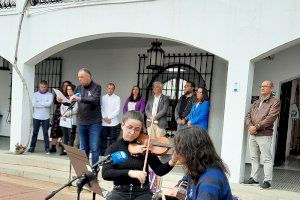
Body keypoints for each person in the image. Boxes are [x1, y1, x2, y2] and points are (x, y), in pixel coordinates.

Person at [102, 110, 179, 200]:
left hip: (142, 193)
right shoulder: (113, 148)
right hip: (120, 192)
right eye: (129, 127)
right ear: (122, 125)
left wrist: (173, 161)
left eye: (137, 129)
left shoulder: (144, 147)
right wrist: (130, 173)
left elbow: (159, 170)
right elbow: (106, 173)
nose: (132, 132)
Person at [170, 126, 233, 200]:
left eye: (179, 148)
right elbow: (185, 179)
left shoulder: (208, 183)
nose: (176, 152)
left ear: (191, 151)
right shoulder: (198, 168)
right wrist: (178, 188)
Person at [244, 80, 281, 189]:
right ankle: (254, 178)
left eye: (265, 86)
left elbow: (271, 118)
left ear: (271, 88)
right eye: (261, 86)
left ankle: (267, 180)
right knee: (254, 157)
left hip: (264, 134)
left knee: (266, 158)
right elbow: (248, 115)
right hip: (253, 134)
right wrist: (250, 126)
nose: (262, 88)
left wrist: (256, 127)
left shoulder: (275, 101)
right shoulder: (256, 102)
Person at [70, 68, 102, 165]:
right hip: (81, 121)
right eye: (79, 77)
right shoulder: (78, 88)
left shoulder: (97, 87)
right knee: (83, 148)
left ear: (89, 77)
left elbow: (94, 101)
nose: (80, 79)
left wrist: (80, 98)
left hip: (94, 122)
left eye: (82, 77)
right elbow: (72, 103)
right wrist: (63, 100)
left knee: (94, 148)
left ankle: (94, 169)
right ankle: (85, 170)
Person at [28, 80, 53, 154]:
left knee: (45, 133)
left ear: (47, 87)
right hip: (36, 116)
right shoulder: (35, 94)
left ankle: (47, 148)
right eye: (41, 87)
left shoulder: (50, 95)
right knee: (35, 132)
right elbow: (34, 104)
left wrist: (39, 103)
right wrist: (44, 104)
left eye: (44, 87)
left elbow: (49, 104)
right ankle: (32, 147)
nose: (43, 88)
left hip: (46, 117)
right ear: (39, 87)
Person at [50, 80, 72, 153]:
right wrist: (57, 99)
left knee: (64, 131)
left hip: (66, 114)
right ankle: (53, 147)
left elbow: (70, 104)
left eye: (67, 86)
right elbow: (55, 102)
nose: (65, 87)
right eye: (64, 85)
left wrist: (62, 101)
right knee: (55, 130)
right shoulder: (59, 93)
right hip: (58, 113)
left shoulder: (70, 95)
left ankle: (64, 148)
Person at [101, 83, 121, 156]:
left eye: (112, 88)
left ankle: (111, 154)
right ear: (107, 89)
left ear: (114, 89)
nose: (110, 90)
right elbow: (101, 108)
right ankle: (103, 154)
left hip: (113, 122)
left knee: (113, 139)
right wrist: (105, 117)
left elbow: (117, 110)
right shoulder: (103, 98)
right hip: (104, 122)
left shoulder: (117, 98)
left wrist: (109, 118)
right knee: (103, 139)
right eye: (109, 88)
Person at [59, 84, 78, 155]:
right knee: (65, 135)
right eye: (67, 89)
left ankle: (70, 152)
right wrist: (63, 114)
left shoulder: (75, 99)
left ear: (73, 90)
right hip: (64, 120)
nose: (68, 91)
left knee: (71, 136)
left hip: (72, 120)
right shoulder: (65, 98)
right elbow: (61, 108)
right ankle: (64, 150)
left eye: (70, 89)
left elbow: (76, 110)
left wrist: (66, 114)